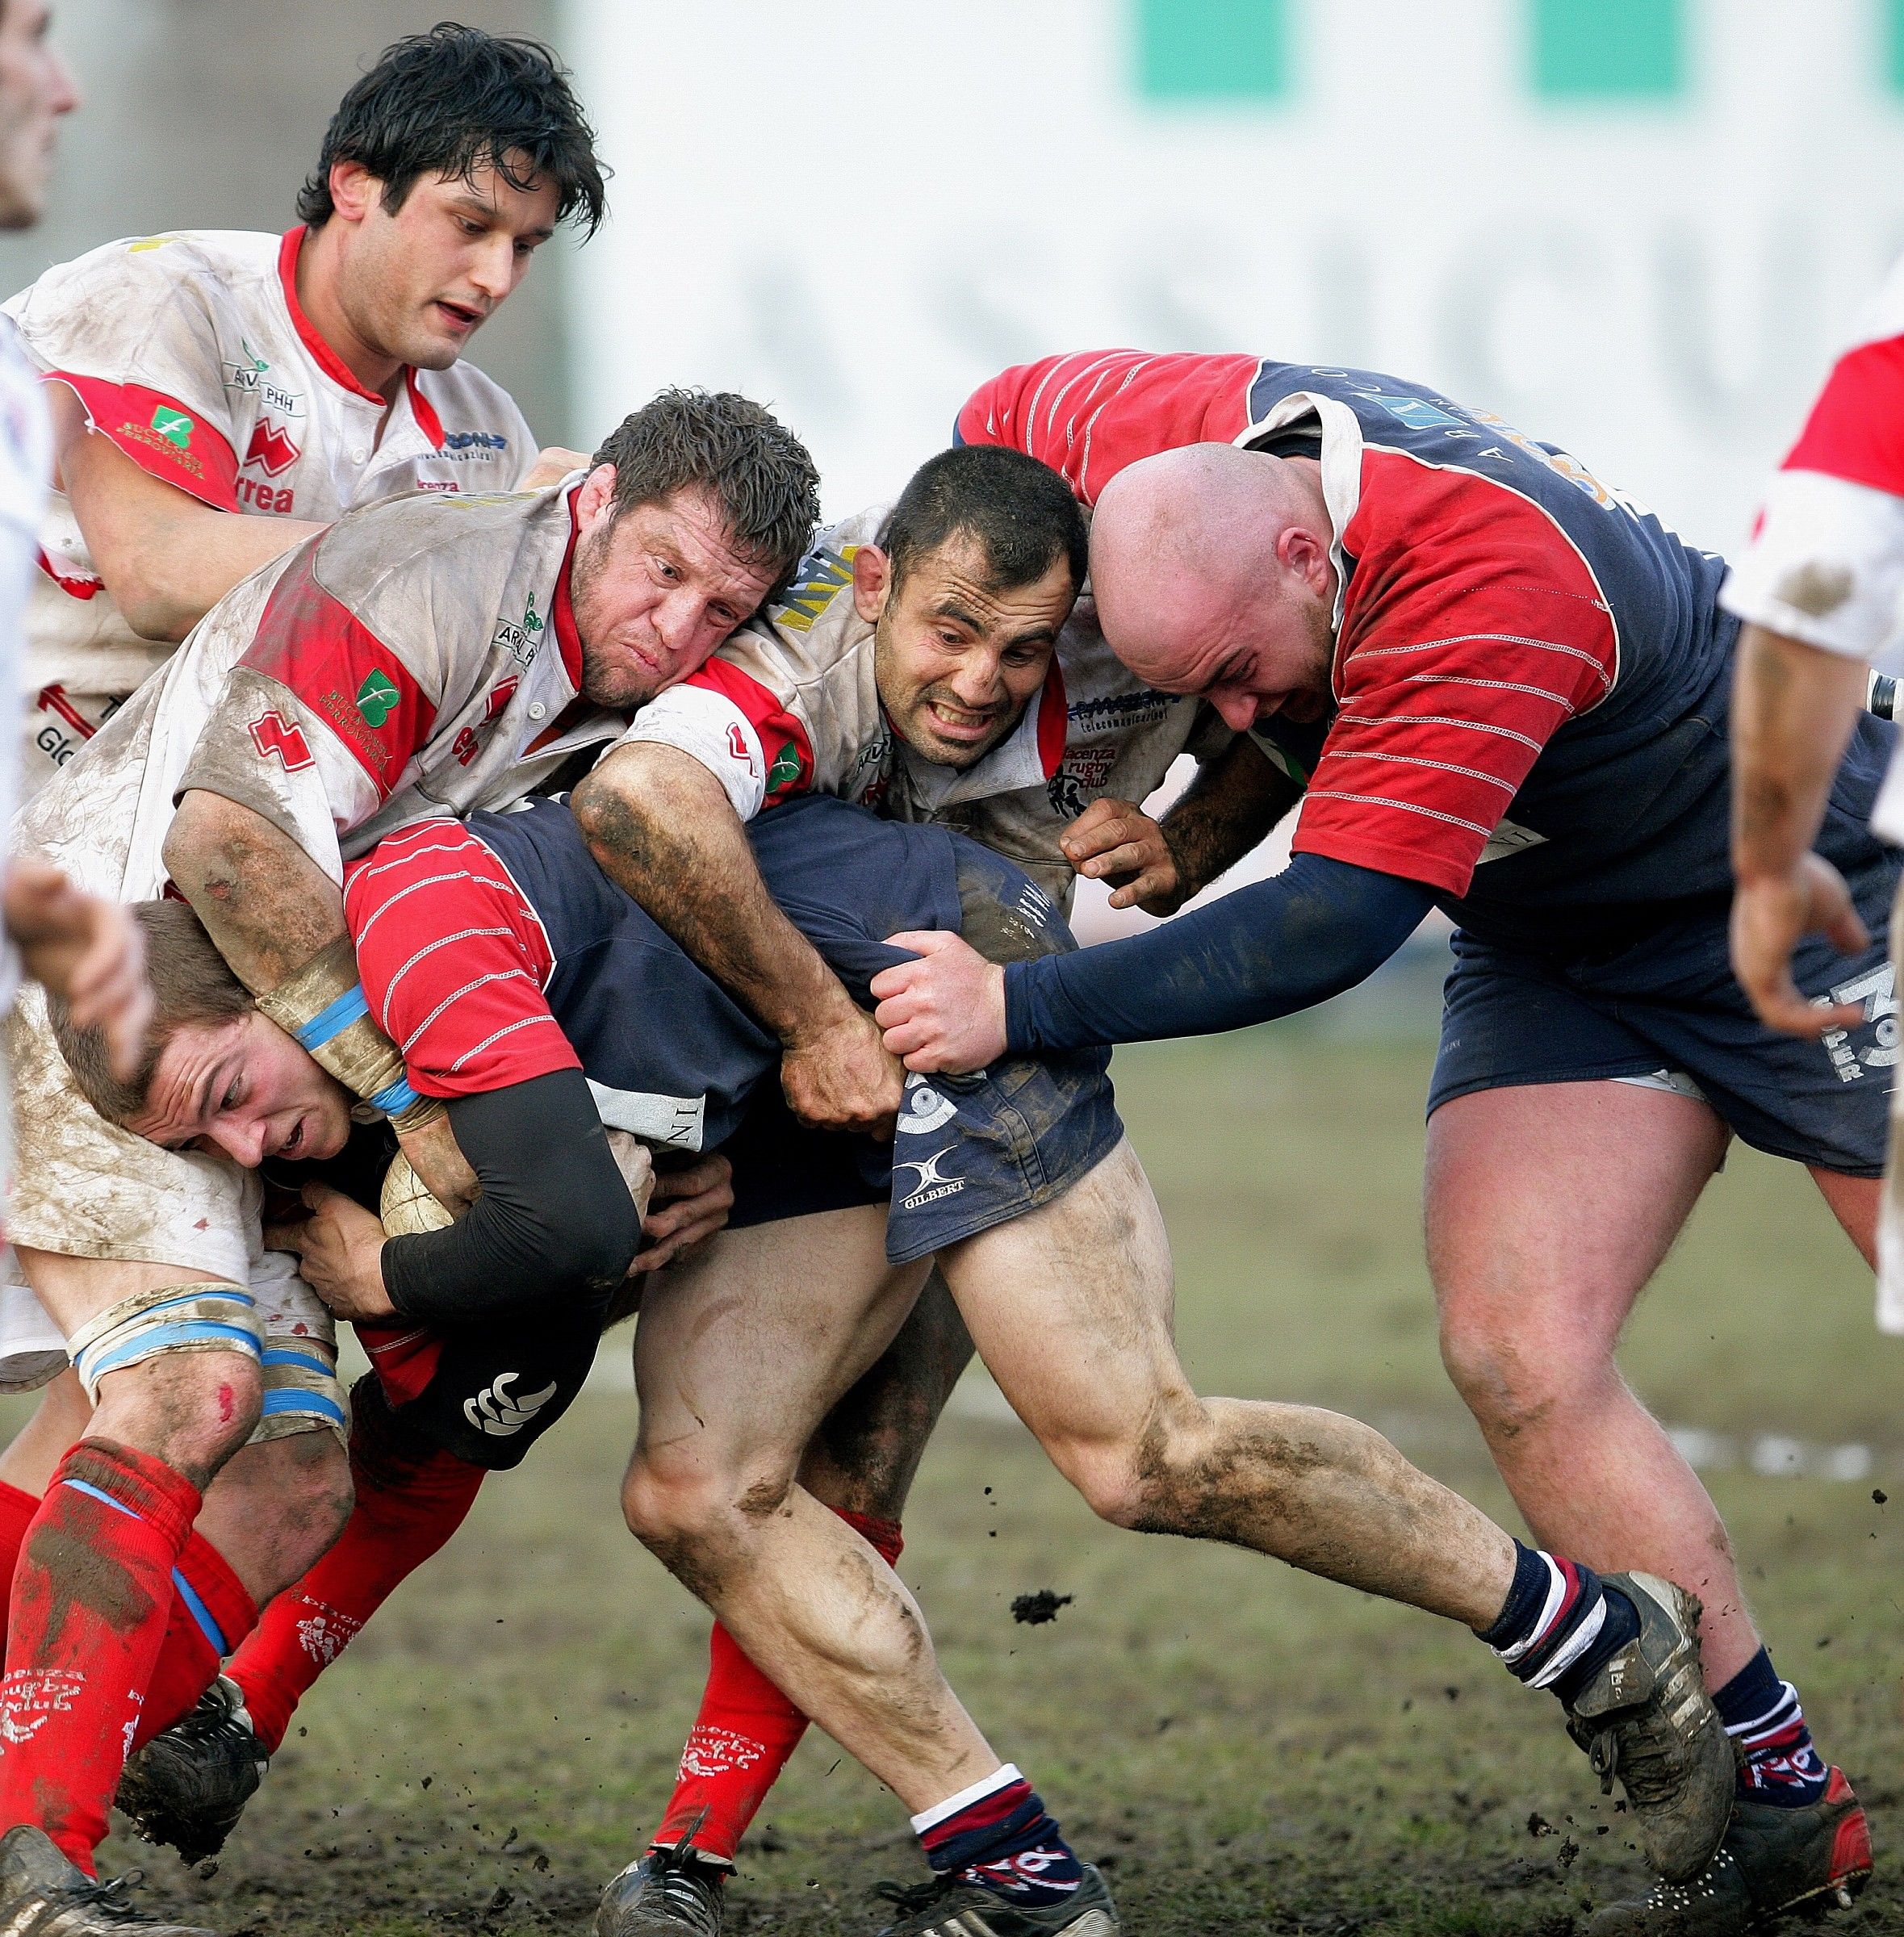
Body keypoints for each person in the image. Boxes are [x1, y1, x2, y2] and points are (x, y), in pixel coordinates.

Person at [93, 795, 1733, 1937]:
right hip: (799, 1101)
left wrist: (404, 1269)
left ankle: (1589, 1632)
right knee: (690, 1491)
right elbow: (523, 1310)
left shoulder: (411, 934)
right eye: (209, 1139)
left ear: (265, 984)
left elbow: (559, 1242)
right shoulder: (359, 1079)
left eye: (233, 1087)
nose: (248, 1139)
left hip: (931, 986)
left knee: (1132, 1454)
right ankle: (1017, 1872)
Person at [870, 349, 1886, 1933]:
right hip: (1559, 933)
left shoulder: (1482, 578)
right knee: (1515, 1352)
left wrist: (1022, 1008)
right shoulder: (1130, 438)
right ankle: (1773, 1804)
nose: (1224, 711)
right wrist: (1189, 797)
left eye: (1230, 671)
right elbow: (993, 425)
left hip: (1801, 879)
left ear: (1305, 553)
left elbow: (1325, 931)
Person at [0, 391, 818, 1932]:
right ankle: (29, 1857)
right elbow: (229, 852)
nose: (680, 626)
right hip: (120, 989)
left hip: (270, 1032)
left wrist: (668, 1144)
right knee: (193, 1395)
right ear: (597, 504)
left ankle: (37, 1782)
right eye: (660, 572)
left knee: (299, 1479)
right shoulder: (434, 582)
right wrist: (428, 1115)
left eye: (725, 607)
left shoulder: (656, 686)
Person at [2, 21, 605, 790]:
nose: (495, 276)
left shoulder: (488, 431)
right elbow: (157, 572)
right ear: (354, 184)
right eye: (470, 224)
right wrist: (473, 543)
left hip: (242, 839)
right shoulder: (157, 296)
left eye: (524, 246)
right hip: (32, 824)